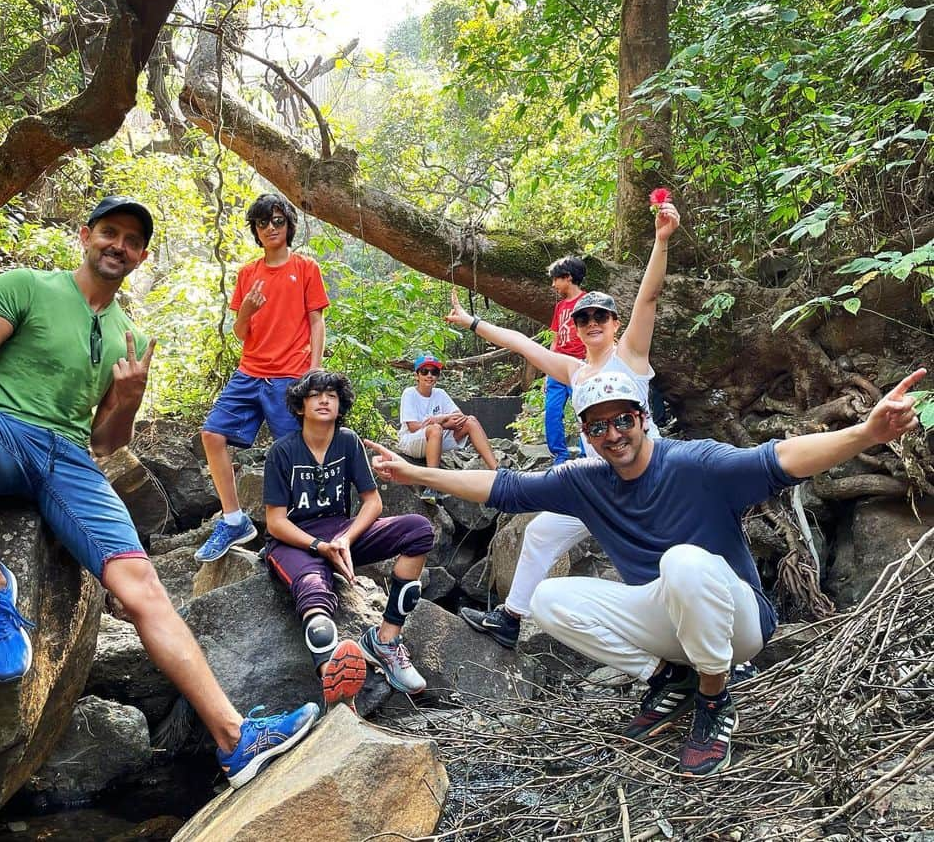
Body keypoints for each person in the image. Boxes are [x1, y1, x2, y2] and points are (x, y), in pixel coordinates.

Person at [0, 195, 318, 789]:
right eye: (109, 232)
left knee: (143, 587)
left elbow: (107, 440)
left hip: (72, 462)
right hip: (1, 432)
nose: (118, 246)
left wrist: (128, 398)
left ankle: (235, 739)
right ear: (86, 235)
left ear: (141, 256)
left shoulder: (128, 335)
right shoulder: (26, 287)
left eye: (131, 241)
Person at [364, 367, 926, 778]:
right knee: (547, 598)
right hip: (674, 620)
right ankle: (670, 675)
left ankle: (713, 697)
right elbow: (505, 488)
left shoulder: (694, 462)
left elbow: (778, 459)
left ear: (644, 419)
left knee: (681, 562)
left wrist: (865, 435)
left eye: (623, 420)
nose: (613, 434)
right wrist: (419, 475)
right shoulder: (586, 479)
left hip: (741, 624)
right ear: (587, 433)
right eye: (599, 425)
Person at [452, 201, 680, 648]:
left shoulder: (630, 355)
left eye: (601, 317)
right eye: (584, 319)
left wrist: (660, 240)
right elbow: (521, 343)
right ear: (575, 327)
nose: (592, 323)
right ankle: (512, 618)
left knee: (664, 558)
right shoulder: (574, 371)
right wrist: (472, 322)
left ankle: (690, 641)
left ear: (614, 323)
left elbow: (649, 297)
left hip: (646, 476)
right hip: (599, 480)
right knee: (540, 531)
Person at [264, 370, 435, 703]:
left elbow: (373, 502)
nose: (324, 399)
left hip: (342, 532)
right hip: (294, 542)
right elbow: (275, 522)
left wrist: (344, 539)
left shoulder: (347, 441)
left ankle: (385, 641)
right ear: (300, 406)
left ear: (340, 404)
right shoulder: (282, 452)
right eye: (315, 395)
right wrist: (318, 546)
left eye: (331, 394)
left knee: (418, 529)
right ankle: (336, 686)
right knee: (315, 600)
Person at [196, 193, 330, 563]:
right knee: (212, 434)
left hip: (290, 375)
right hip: (249, 372)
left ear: (288, 225)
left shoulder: (305, 269)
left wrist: (314, 369)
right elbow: (240, 332)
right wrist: (248, 311)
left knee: (294, 453)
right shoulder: (247, 274)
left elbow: (316, 320)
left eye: (277, 221)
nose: (271, 228)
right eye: (262, 223)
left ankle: (302, 531)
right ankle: (234, 519)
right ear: (255, 230)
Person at [397, 352, 499, 503]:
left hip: (435, 439)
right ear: (416, 375)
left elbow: (460, 417)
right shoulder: (410, 393)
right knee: (435, 429)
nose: (429, 375)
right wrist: (442, 423)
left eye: (434, 372)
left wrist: (440, 419)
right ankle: (432, 485)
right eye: (425, 371)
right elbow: (413, 427)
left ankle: (498, 472)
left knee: (471, 421)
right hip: (412, 441)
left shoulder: (440, 393)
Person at [544, 254, 588, 464]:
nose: (554, 285)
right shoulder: (560, 307)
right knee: (552, 411)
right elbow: (554, 337)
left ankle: (585, 455)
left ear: (568, 277)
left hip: (580, 363)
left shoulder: (587, 302)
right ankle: (559, 456)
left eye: (556, 279)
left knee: (584, 410)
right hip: (558, 365)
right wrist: (548, 369)